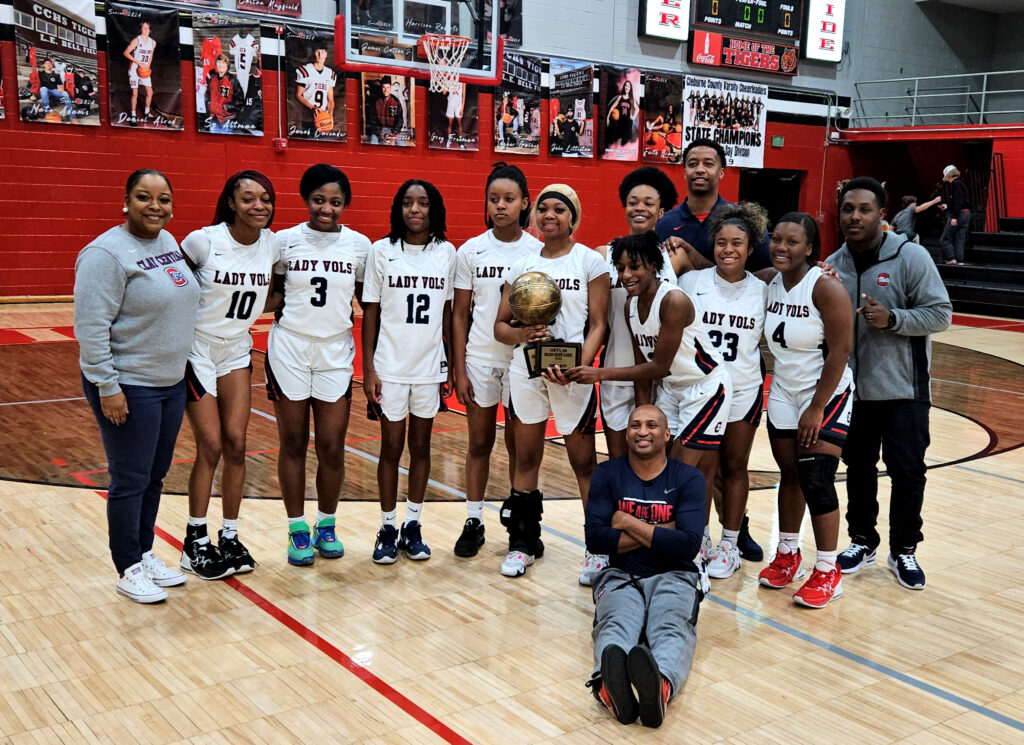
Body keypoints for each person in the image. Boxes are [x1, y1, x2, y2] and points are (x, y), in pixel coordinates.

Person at [569, 231, 730, 594]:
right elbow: (644, 363)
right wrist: (645, 409)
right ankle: (656, 551)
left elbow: (658, 364)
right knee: (659, 471)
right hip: (673, 390)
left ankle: (695, 556)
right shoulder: (630, 304)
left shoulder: (673, 301)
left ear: (655, 265)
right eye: (621, 268)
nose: (626, 275)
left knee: (682, 476)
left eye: (635, 267)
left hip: (704, 387)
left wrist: (601, 372)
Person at [74, 169, 199, 603]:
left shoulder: (167, 244)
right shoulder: (105, 254)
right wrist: (108, 386)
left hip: (169, 383)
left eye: (164, 199)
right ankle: (127, 567)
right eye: (144, 198)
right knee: (130, 479)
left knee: (155, 476)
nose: (155, 207)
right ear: (125, 201)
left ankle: (144, 553)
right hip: (129, 384)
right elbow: (90, 329)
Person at [828, 177, 953, 590]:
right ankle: (862, 541)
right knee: (858, 468)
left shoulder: (910, 257)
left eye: (864, 209)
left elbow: (941, 314)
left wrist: (894, 319)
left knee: (907, 471)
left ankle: (904, 549)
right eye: (848, 209)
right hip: (853, 393)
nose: (855, 216)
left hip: (905, 390)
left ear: (881, 214)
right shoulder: (832, 266)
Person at [493, 184, 608, 581]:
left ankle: (597, 549)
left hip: (571, 374)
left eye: (559, 209)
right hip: (526, 371)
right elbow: (500, 327)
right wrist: (522, 335)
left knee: (584, 463)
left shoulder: (590, 262)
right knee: (526, 457)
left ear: (573, 217)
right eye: (543, 209)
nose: (549, 215)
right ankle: (523, 543)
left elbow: (598, 324)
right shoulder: (522, 265)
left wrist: (582, 363)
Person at [267, 165, 370, 566]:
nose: (326, 209)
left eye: (335, 202)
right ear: (306, 199)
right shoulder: (284, 241)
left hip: (335, 352)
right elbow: (272, 294)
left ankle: (325, 524)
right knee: (292, 443)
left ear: (345, 204)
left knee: (331, 445)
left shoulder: (360, 246)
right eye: (319, 200)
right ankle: (296, 529)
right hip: (290, 348)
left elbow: (370, 302)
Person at [178, 171, 278, 580]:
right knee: (212, 444)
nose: (259, 205)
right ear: (231, 203)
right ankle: (194, 541)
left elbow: (273, 292)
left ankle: (230, 536)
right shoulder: (204, 240)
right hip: (197, 349)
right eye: (249, 198)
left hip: (237, 347)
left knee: (237, 444)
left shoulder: (272, 244)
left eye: (266, 199)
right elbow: (170, 287)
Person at [584, 404, 704, 729]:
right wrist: (662, 532)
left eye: (652, 425)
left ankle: (660, 688)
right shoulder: (607, 474)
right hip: (622, 574)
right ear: (626, 434)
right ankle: (609, 689)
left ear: (667, 435)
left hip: (675, 574)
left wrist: (625, 522)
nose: (643, 431)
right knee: (615, 625)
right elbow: (596, 539)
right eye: (635, 425)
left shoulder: (689, 478)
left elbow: (689, 545)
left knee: (670, 627)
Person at [758, 212, 854, 608]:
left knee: (816, 477)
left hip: (824, 391)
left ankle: (829, 569)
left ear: (810, 249)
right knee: (790, 474)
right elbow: (716, 269)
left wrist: (817, 407)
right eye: (777, 239)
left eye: (792, 242)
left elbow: (840, 352)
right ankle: (788, 553)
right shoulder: (766, 280)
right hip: (783, 388)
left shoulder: (825, 288)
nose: (782, 247)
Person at [362, 180, 456, 564]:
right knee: (390, 448)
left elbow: (449, 314)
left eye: (423, 203)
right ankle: (387, 526)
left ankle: (412, 525)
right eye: (407, 203)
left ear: (434, 209)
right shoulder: (381, 251)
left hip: (430, 368)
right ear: (397, 209)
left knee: (421, 448)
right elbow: (370, 313)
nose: (415, 210)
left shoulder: (447, 252)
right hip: (390, 367)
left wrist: (451, 364)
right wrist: (368, 369)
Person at [452, 164, 541, 557]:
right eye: (494, 199)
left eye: (509, 199)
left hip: (523, 361)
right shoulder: (470, 250)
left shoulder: (539, 251)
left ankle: (518, 520)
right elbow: (459, 315)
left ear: (525, 203)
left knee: (520, 448)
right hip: (480, 359)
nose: (501, 206)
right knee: (479, 442)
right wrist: (458, 368)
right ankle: (474, 519)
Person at [677, 203, 768, 580]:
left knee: (734, 467)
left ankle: (730, 543)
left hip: (744, 389)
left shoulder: (764, 289)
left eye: (737, 243)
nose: (728, 249)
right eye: (721, 242)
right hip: (700, 391)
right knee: (701, 472)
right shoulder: (692, 282)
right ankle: (701, 538)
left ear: (750, 247)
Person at [593, 167, 681, 461]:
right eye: (633, 202)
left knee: (658, 462)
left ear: (662, 211)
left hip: (663, 378)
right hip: (616, 372)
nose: (639, 208)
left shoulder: (676, 256)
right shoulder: (602, 255)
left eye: (648, 202)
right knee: (619, 460)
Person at [655, 138, 770, 269]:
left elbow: (765, 271)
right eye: (692, 164)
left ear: (721, 173)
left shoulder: (744, 220)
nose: (700, 169)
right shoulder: (664, 224)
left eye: (708, 164)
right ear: (685, 173)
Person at [295, 46, 336, 137]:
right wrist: (312, 107)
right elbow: (298, 95)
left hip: (323, 117)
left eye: (322, 51)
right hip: (308, 117)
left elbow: (330, 99)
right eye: (317, 51)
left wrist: (330, 114)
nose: (320, 54)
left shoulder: (330, 73)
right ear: (314, 53)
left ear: (326, 54)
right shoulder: (305, 70)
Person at [123, 21, 156, 126]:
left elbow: (150, 56)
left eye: (147, 28)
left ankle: (147, 113)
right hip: (134, 69)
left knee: (150, 92)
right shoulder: (136, 40)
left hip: (144, 70)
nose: (146, 30)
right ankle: (133, 116)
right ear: (141, 29)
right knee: (135, 94)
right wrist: (140, 63)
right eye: (144, 28)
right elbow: (126, 53)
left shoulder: (153, 42)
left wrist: (148, 66)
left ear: (150, 30)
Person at [939, 165, 971, 265]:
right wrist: (948, 206)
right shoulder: (962, 183)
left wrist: (954, 217)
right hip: (966, 213)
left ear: (949, 175)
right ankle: (960, 261)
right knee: (960, 238)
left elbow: (957, 201)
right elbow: (962, 200)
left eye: (946, 178)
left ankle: (951, 259)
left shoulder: (955, 184)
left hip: (959, 214)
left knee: (945, 238)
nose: (947, 181)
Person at [205, 54, 243, 134]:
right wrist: (209, 104)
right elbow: (208, 94)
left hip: (227, 119)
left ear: (227, 65)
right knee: (213, 144)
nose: (220, 65)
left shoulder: (233, 81)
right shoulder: (212, 79)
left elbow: (239, 100)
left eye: (223, 63)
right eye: (218, 62)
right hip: (213, 117)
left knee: (226, 143)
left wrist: (226, 107)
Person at [37, 57, 76, 122]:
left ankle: (72, 116)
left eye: (50, 63)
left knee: (65, 93)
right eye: (46, 63)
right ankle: (47, 113)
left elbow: (61, 85)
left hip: (54, 90)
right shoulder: (40, 73)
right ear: (43, 65)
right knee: (43, 89)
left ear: (52, 65)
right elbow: (34, 81)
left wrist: (61, 88)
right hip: (45, 91)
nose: (48, 65)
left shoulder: (56, 75)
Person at [605, 78, 638, 148]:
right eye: (625, 85)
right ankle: (616, 155)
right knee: (618, 141)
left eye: (628, 86)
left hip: (628, 123)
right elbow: (612, 107)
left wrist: (634, 117)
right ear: (624, 87)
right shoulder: (620, 97)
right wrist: (607, 117)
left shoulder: (631, 98)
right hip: (621, 122)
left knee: (627, 142)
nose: (626, 87)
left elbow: (637, 109)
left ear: (630, 88)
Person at [371, 76, 404, 144]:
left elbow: (400, 119)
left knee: (402, 144)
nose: (386, 90)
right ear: (381, 88)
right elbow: (372, 119)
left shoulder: (395, 101)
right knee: (373, 142)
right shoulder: (376, 102)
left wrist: (395, 133)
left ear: (391, 88)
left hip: (393, 130)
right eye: (384, 87)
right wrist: (379, 132)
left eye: (388, 87)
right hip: (380, 130)